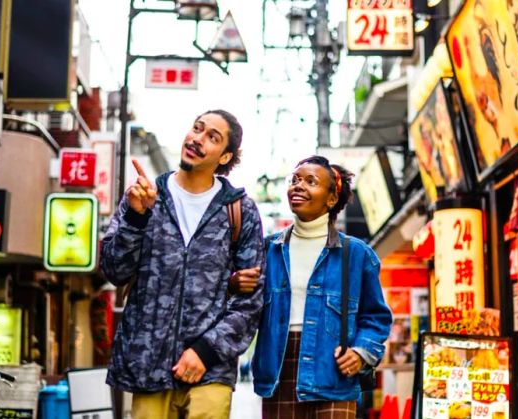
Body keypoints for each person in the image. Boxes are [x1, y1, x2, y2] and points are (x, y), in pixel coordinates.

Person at [100, 110, 265, 419]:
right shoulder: (147, 197)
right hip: (149, 366)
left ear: (225, 156)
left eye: (212, 137)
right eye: (197, 129)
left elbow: (251, 300)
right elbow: (113, 270)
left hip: (211, 369)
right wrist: (136, 218)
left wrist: (206, 350)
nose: (197, 139)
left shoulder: (239, 210)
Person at [234, 156, 392, 418]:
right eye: (294, 180)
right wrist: (234, 284)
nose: (298, 186)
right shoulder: (267, 250)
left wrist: (361, 353)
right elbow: (244, 309)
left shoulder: (356, 254)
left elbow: (376, 317)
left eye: (310, 181)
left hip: (333, 375)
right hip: (278, 372)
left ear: (331, 199)